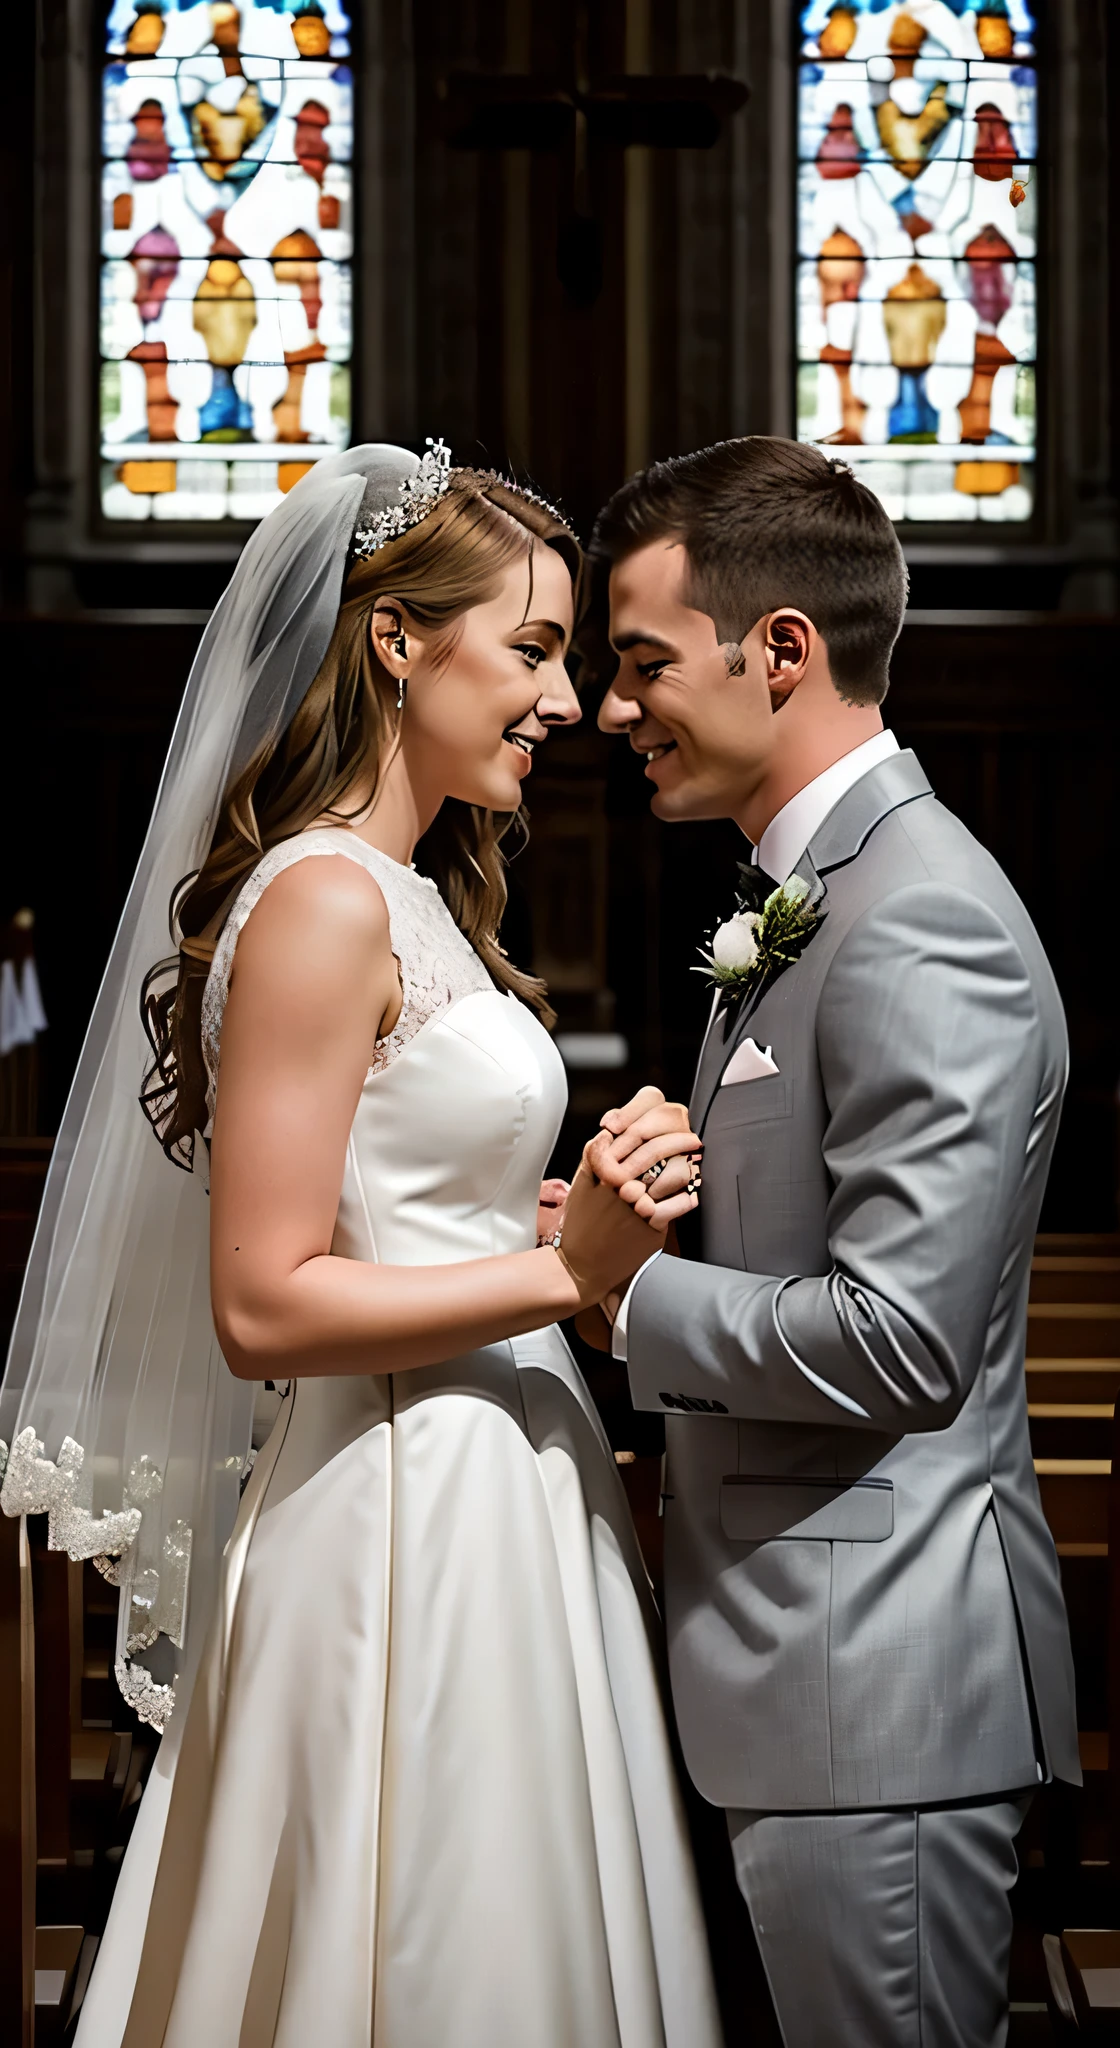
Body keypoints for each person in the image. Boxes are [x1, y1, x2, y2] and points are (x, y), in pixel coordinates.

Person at [0, 444, 722, 2047]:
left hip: (502, 1469)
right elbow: (264, 1301)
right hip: (398, 1505)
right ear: (397, 640)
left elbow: (389, 1204)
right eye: (530, 649)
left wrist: (541, 1216)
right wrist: (570, 1271)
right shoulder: (324, 899)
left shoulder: (412, 895)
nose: (560, 699)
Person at [585, 435, 1080, 2048]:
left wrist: (626, 1297)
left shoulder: (922, 913)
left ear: (779, 650)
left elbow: (903, 1340)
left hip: (878, 1702)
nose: (608, 708)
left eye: (642, 661)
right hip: (798, 1680)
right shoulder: (814, 899)